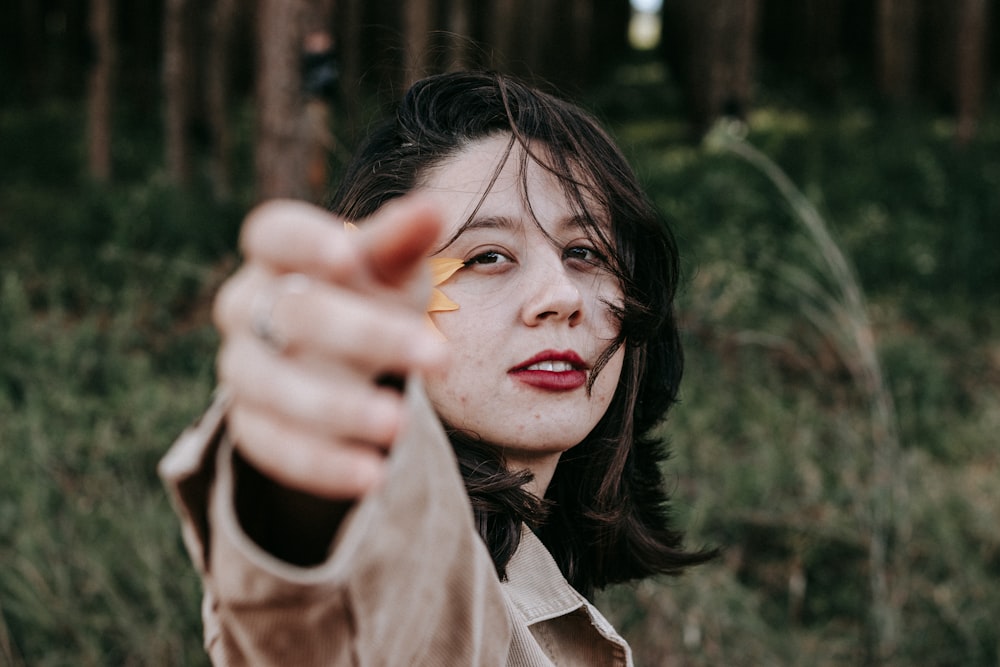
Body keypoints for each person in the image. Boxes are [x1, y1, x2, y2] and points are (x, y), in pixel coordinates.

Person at [160, 70, 716, 666]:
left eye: (585, 252)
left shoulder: (532, 574)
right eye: (488, 256)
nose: (561, 294)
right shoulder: (415, 574)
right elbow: (336, 611)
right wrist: (303, 483)